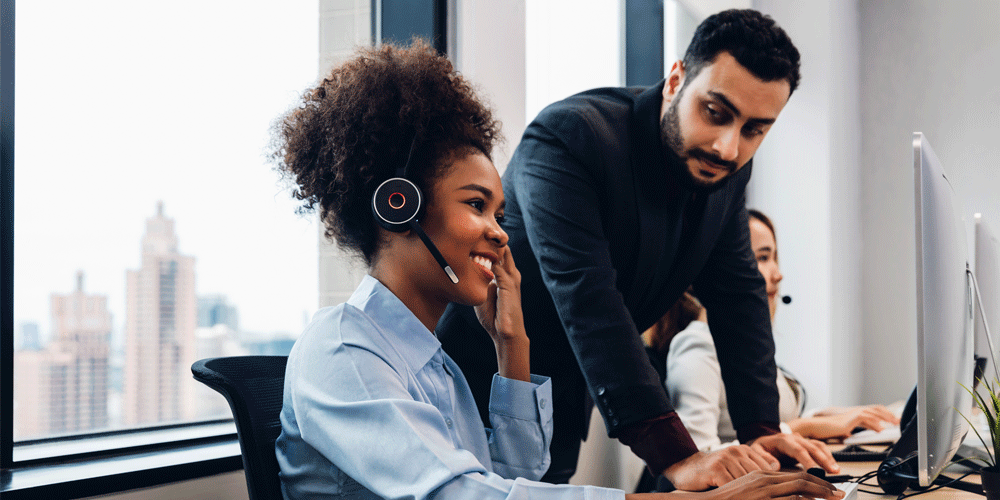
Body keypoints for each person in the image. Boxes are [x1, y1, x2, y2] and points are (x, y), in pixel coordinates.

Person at [270, 40, 845, 500]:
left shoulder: (433, 368)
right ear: (400, 205)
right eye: (477, 206)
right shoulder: (341, 348)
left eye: (500, 211)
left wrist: (512, 345)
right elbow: (464, 495)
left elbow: (516, 477)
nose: (502, 231)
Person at [438, 8, 837, 490]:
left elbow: (737, 293)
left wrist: (762, 431)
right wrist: (678, 457)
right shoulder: (570, 138)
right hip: (468, 389)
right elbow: (590, 299)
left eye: (755, 129)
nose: (729, 147)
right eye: (716, 113)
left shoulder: (727, 172)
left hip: (561, 399)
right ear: (675, 80)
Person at [656, 209, 900, 452]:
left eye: (774, 258)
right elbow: (697, 457)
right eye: (762, 258)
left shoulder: (743, 344)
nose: (778, 274)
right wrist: (804, 427)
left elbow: (775, 421)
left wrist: (829, 417)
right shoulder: (697, 347)